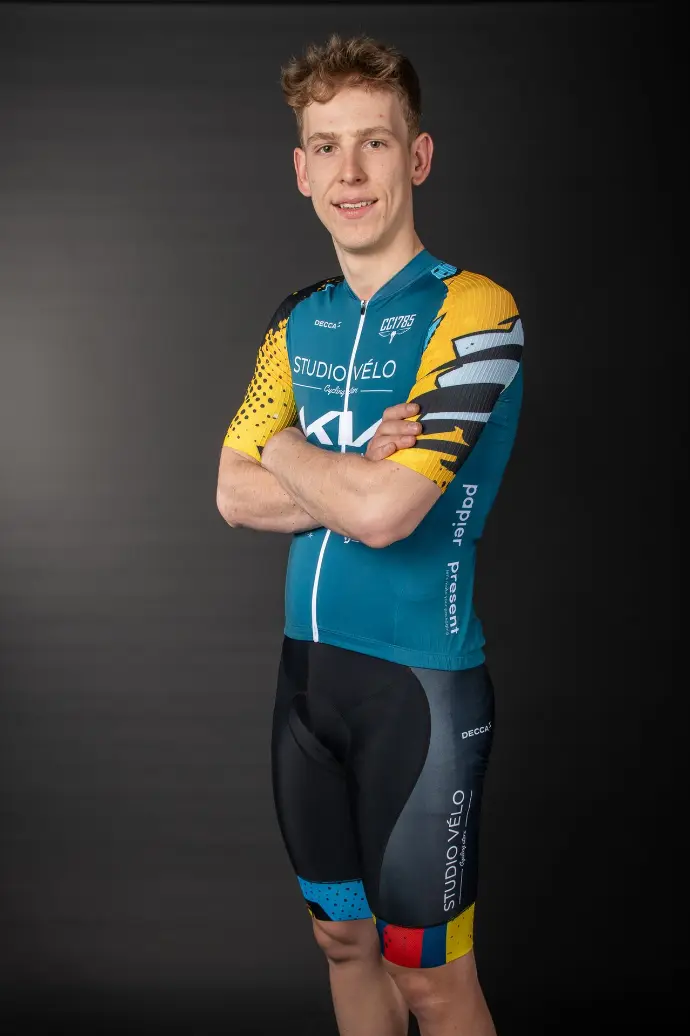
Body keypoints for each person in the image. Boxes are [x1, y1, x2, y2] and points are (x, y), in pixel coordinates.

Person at [216, 32, 523, 1036]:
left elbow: (388, 515)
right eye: (327, 146)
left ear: (417, 157)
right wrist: (344, 467)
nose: (350, 172)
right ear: (301, 170)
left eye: (375, 143)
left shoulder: (476, 313)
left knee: (431, 979)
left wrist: (287, 448)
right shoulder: (293, 322)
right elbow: (231, 493)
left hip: (419, 696)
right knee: (343, 943)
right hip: (306, 690)